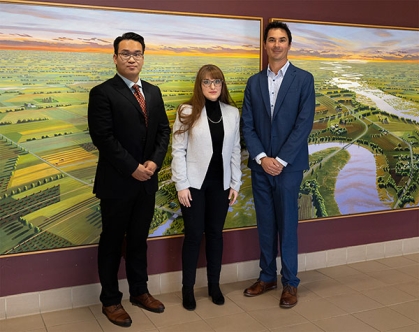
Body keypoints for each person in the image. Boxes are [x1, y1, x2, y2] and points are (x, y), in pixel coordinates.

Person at [88, 32, 170, 327]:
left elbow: (163, 131)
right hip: (117, 183)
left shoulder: (153, 91)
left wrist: (154, 163)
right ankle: (110, 300)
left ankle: (140, 291)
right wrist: (133, 167)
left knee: (138, 241)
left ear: (144, 57)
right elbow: (104, 138)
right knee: (111, 242)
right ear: (115, 58)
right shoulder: (102, 92)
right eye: (126, 53)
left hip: (146, 182)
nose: (132, 58)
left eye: (137, 53)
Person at [241, 21, 315, 308]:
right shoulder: (254, 82)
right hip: (261, 167)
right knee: (266, 224)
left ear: (289, 44)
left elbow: (303, 124)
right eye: (271, 39)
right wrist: (262, 158)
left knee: (287, 225)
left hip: (289, 167)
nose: (276, 44)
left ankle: (290, 283)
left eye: (281, 39)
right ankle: (267, 276)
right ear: (265, 44)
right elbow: (248, 125)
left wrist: (280, 160)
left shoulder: (303, 79)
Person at [171, 64, 242, 311]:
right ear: (199, 85)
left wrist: (235, 182)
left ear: (222, 85)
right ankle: (187, 289)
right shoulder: (186, 111)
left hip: (220, 185)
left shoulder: (232, 113)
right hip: (193, 185)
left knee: (215, 235)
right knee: (193, 236)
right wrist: (181, 185)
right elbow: (178, 151)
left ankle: (214, 285)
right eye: (207, 82)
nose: (212, 86)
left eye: (217, 82)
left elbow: (234, 150)